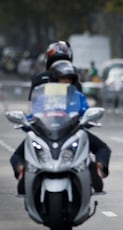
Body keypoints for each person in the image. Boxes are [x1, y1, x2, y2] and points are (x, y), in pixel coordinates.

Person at [10, 43, 111, 194]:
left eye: (69, 80)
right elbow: (35, 112)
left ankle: (96, 168)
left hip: (72, 131)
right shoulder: (44, 96)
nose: (66, 83)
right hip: (45, 132)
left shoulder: (76, 94)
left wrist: (85, 119)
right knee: (17, 156)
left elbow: (85, 111)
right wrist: (27, 121)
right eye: (62, 79)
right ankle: (24, 171)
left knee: (102, 148)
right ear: (53, 79)